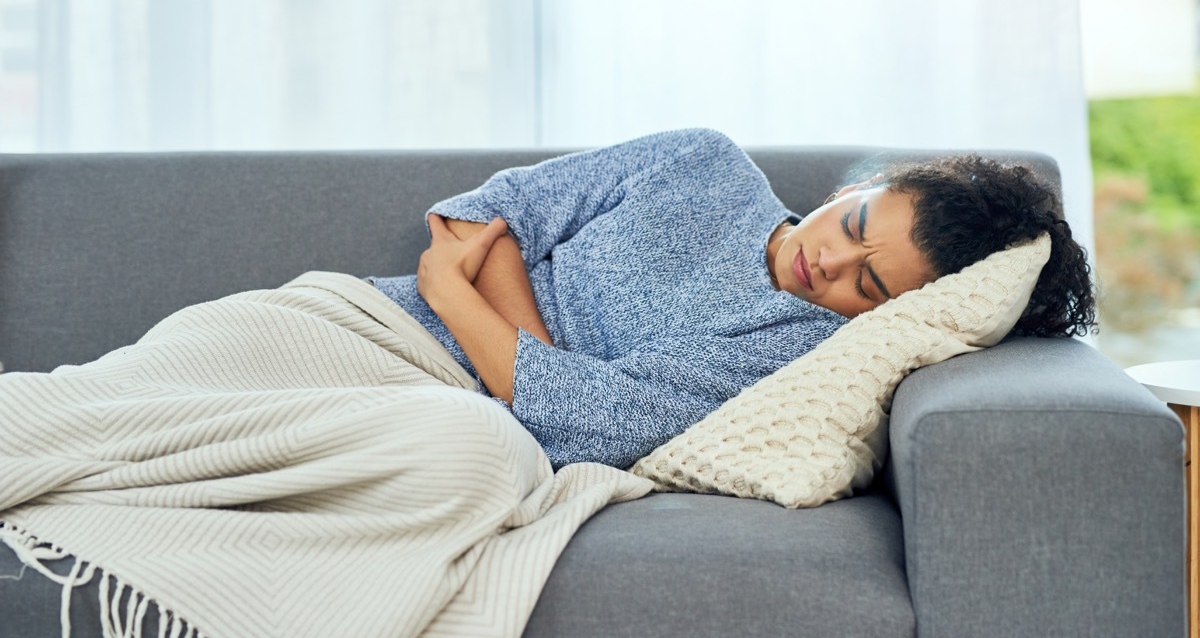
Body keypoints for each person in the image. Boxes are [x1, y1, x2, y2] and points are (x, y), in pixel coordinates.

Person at [370, 128, 1095, 470]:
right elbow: (486, 214)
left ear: (889, 312)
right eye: (853, 225)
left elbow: (596, 423)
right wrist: (535, 366)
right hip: (381, 323)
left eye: (867, 284)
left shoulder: (794, 344)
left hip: (446, 396)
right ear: (854, 189)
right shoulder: (704, 162)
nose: (831, 261)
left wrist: (455, 292)